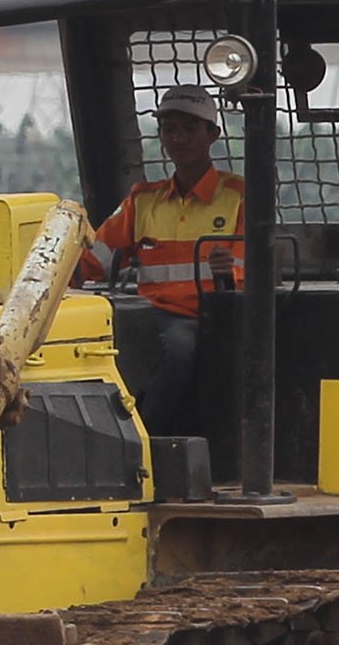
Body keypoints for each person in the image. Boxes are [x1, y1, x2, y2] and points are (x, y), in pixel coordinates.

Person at [78, 82, 245, 434]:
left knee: (180, 348)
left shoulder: (238, 198)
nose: (178, 138)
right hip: (147, 314)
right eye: (169, 129)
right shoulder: (143, 200)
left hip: (204, 316)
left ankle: (142, 439)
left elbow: (254, 271)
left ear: (212, 134)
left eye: (189, 128)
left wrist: (228, 272)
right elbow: (95, 258)